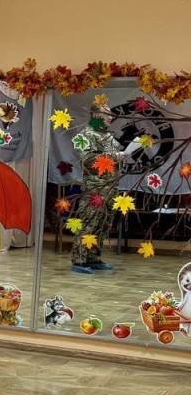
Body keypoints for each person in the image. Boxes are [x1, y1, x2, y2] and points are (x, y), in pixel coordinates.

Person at [70, 103, 138, 274]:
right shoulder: (84, 135)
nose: (110, 117)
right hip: (95, 189)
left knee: (103, 224)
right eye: (106, 114)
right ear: (95, 115)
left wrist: (124, 154)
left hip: (110, 187)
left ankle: (93, 258)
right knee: (89, 224)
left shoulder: (106, 136)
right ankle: (79, 260)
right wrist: (117, 156)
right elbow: (88, 159)